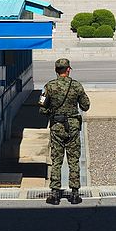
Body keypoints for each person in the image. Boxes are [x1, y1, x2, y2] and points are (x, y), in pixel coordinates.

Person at [39, 58, 90, 205]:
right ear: (68, 70)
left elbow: (42, 108)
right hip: (73, 127)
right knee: (73, 160)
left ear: (56, 70)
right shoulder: (76, 86)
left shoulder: (49, 86)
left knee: (57, 160)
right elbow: (85, 106)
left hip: (56, 126)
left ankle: (55, 193)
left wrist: (52, 111)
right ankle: (74, 193)